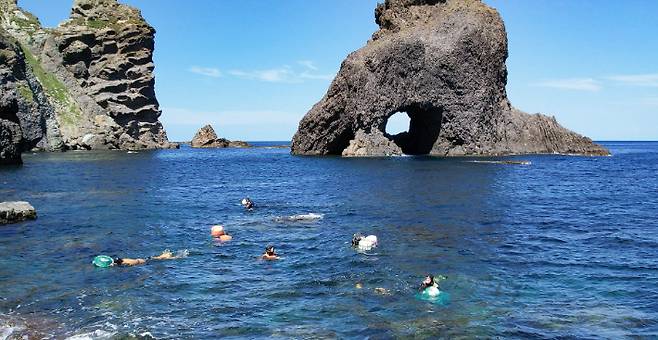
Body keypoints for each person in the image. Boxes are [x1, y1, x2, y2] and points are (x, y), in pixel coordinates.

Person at [110, 250, 178, 267]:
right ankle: (164, 256)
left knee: (155, 259)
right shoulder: (124, 260)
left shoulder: (126, 262)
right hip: (141, 260)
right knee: (154, 258)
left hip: (143, 262)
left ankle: (167, 256)